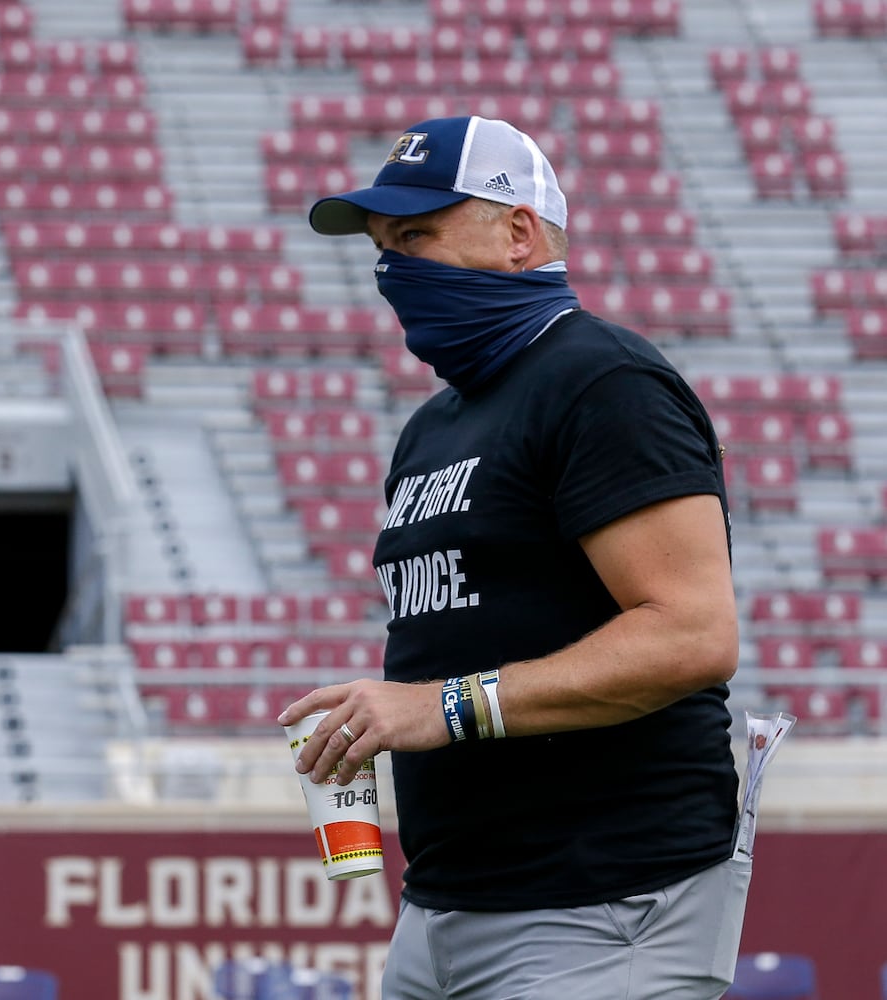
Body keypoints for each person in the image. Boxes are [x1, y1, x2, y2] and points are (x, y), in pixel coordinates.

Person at [280, 115, 748, 999]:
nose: (392, 270)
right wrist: (387, 716)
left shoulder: (602, 381)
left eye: (416, 235)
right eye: (381, 246)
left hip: (605, 903)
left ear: (518, 232)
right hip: (447, 903)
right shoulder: (434, 425)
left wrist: (442, 707)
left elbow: (692, 635)